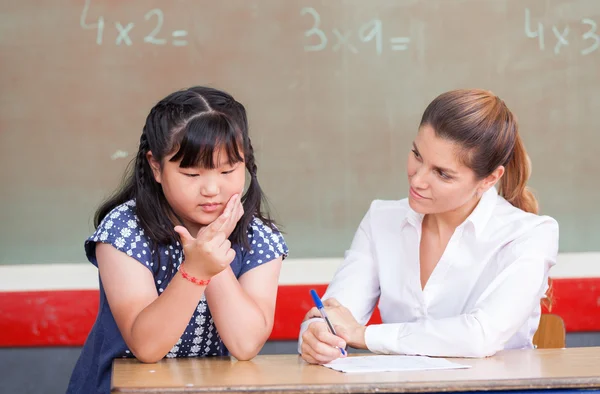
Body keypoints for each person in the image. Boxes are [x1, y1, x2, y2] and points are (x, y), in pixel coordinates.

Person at [298, 89, 558, 364]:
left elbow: (481, 335)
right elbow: (335, 312)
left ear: (489, 179)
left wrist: (364, 335)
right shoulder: (382, 219)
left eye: (442, 173)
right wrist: (318, 335)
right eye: (417, 155)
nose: (418, 180)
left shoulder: (529, 234)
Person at [67, 86, 288, 393]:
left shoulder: (259, 238)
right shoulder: (124, 231)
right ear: (156, 167)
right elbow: (147, 346)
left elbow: (245, 343)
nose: (212, 189)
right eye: (192, 175)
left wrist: (215, 257)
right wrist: (196, 271)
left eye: (227, 170)